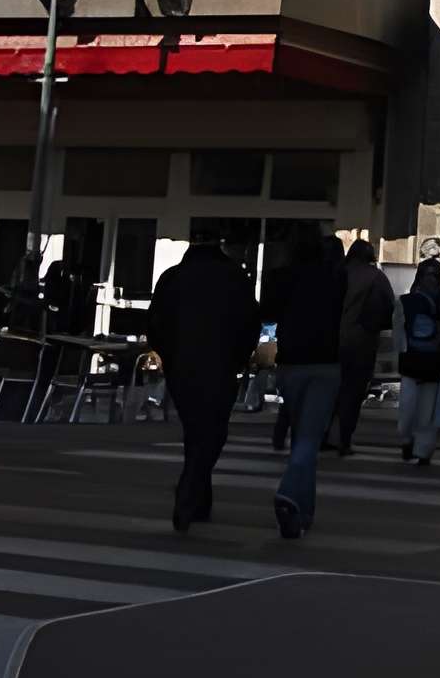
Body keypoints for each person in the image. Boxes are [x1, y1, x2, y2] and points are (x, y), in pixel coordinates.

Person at [146, 226, 259, 533]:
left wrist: (170, 355)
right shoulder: (236, 277)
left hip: (182, 366)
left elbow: (154, 325)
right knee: (213, 431)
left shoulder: (172, 278)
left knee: (195, 431)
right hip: (220, 365)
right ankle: (190, 490)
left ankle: (198, 498)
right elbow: (250, 323)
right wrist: (239, 357)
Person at [272, 229, 348, 538]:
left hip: (291, 361)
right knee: (309, 436)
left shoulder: (282, 277)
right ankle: (290, 494)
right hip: (325, 361)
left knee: (301, 434)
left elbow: (268, 312)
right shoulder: (334, 278)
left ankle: (304, 510)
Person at [333, 239, 396, 457]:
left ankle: (323, 435)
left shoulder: (338, 273)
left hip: (332, 341)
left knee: (331, 391)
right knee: (353, 392)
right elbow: (389, 307)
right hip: (362, 341)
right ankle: (344, 439)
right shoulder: (376, 277)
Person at [397, 256, 440, 468]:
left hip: (420, 362)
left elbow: (399, 334)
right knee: (420, 412)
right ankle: (417, 447)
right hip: (425, 363)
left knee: (418, 411)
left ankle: (417, 447)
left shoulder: (411, 301)